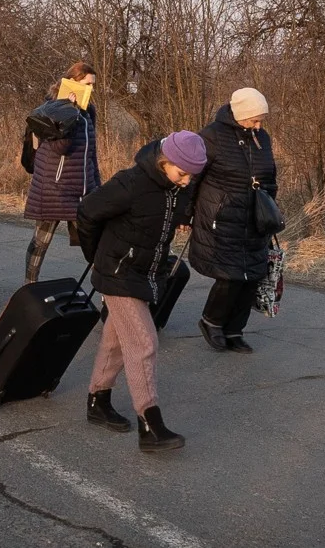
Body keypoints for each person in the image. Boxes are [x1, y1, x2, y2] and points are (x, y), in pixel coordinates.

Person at [76, 131, 206, 452]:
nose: (187, 180)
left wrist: (183, 217)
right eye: (182, 173)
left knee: (117, 339)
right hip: (118, 272)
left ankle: (98, 401)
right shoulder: (131, 183)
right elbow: (87, 210)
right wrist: (96, 256)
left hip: (144, 273)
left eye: (193, 175)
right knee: (144, 342)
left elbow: (171, 212)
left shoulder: (177, 188)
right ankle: (150, 424)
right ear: (164, 162)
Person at [188, 88, 279, 354]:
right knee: (230, 275)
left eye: (261, 120)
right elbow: (192, 177)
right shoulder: (211, 136)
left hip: (255, 218)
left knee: (252, 275)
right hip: (222, 215)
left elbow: (270, 174)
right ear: (240, 114)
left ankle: (235, 330)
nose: (259, 125)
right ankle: (212, 322)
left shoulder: (263, 137)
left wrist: (271, 206)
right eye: (254, 120)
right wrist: (185, 213)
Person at [23, 63, 102, 283]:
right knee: (40, 243)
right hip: (54, 188)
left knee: (94, 243)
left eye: (93, 85)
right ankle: (29, 286)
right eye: (87, 84)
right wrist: (69, 111)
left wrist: (97, 185)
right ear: (72, 83)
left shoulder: (89, 112)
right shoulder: (51, 109)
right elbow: (61, 147)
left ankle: (108, 294)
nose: (91, 90)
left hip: (82, 189)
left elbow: (91, 152)